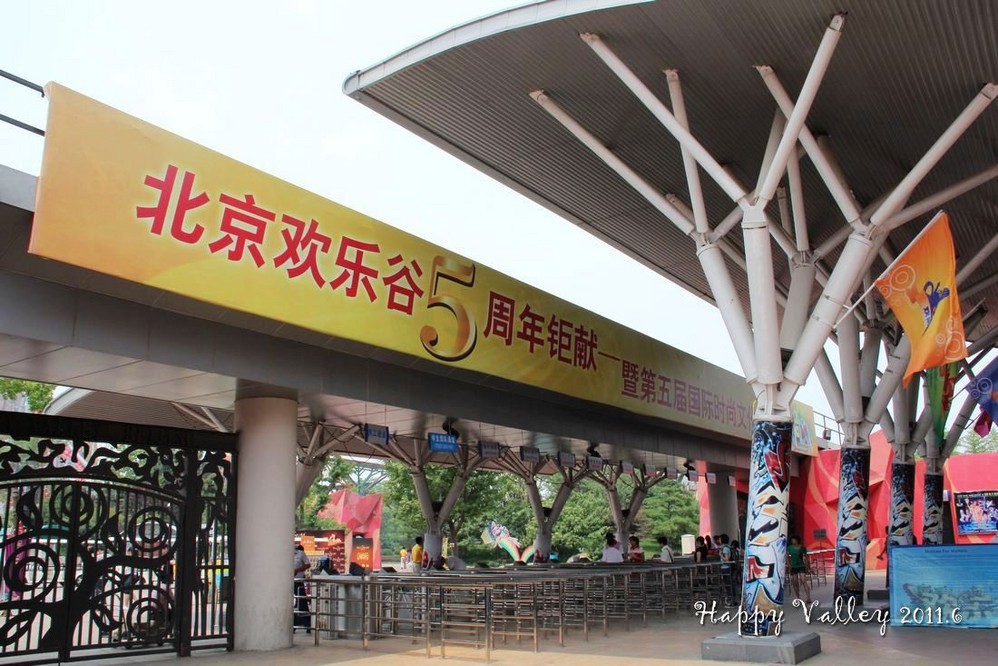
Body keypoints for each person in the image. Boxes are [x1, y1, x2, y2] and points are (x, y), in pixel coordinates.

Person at [787, 536, 811, 605]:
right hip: (793, 566)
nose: (793, 541)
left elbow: (806, 557)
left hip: (801, 565)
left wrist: (807, 566)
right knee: (795, 582)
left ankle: (808, 597)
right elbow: (787, 556)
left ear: (797, 540)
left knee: (803, 580)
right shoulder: (790, 548)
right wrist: (789, 565)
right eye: (792, 540)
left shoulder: (802, 548)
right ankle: (798, 597)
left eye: (794, 540)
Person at [293, 544, 311, 633]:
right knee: (291, 604)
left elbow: (308, 565)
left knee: (302, 603)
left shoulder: (300, 553)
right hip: (285, 583)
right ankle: (293, 624)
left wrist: (297, 570)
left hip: (298, 582)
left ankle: (307, 624)